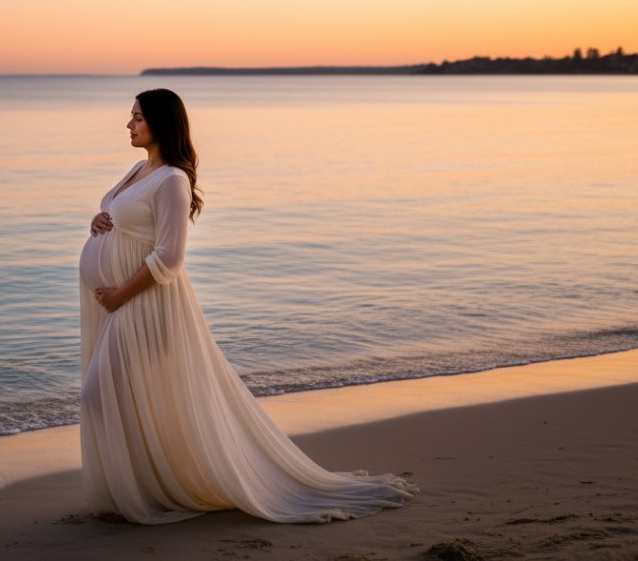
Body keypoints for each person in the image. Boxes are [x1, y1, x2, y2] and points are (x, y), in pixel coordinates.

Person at [78, 88, 417, 524]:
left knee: (99, 396)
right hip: (121, 306)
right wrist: (98, 219)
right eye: (131, 117)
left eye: (137, 117)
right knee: (127, 397)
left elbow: (169, 257)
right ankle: (143, 491)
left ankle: (144, 494)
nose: (129, 125)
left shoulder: (173, 181)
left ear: (161, 123)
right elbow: (120, 217)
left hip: (144, 305)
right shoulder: (137, 170)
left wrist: (121, 294)